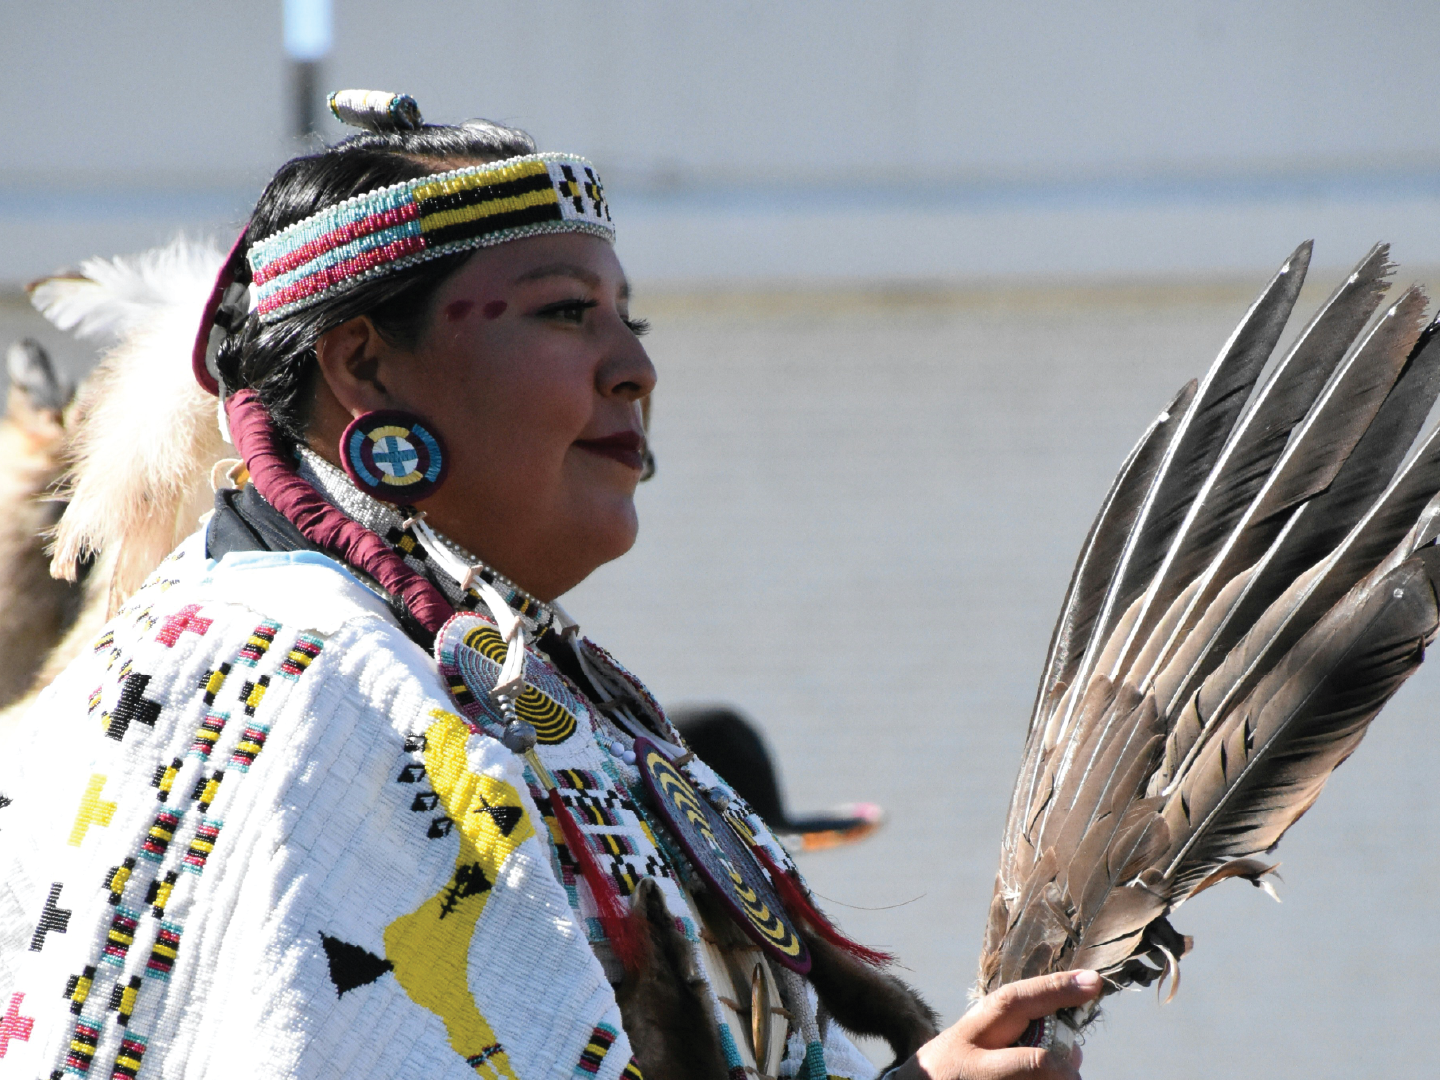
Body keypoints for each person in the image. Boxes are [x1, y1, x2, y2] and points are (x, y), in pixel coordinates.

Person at [0, 91, 1100, 1080]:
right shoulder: (303, 685)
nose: (635, 366)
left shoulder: (476, 678)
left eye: (632, 319)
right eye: (568, 313)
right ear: (365, 364)